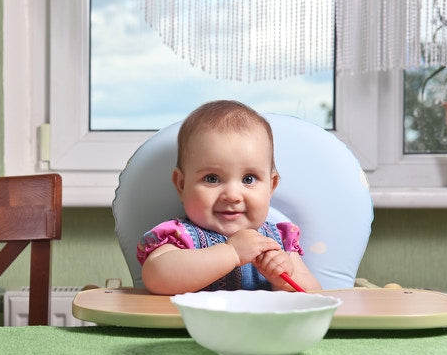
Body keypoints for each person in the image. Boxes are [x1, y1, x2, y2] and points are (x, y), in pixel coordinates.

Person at [137, 100, 321, 295]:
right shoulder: (179, 238)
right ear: (182, 185)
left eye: (248, 179)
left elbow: (315, 293)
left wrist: (285, 278)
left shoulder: (278, 243)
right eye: (212, 178)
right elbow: (156, 277)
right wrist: (231, 252)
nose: (232, 196)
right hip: (195, 325)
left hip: (264, 325)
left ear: (271, 186)